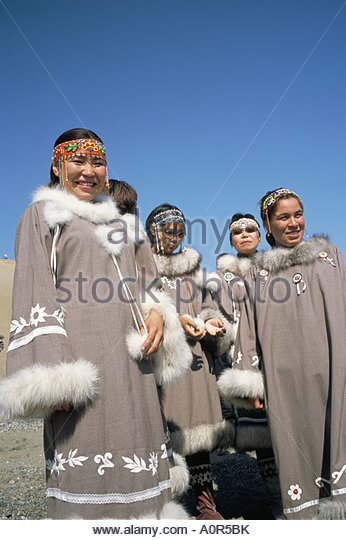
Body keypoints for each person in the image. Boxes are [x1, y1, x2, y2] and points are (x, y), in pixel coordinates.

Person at [0, 128, 192, 519]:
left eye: (98, 162)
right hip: (79, 356)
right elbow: (34, 288)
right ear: (58, 165)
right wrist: (55, 374)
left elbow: (148, 280)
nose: (89, 170)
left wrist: (157, 311)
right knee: (83, 450)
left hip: (132, 362)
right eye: (79, 160)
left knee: (139, 443)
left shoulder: (123, 224)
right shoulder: (42, 215)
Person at [217, 188, 346, 519]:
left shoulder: (329, 256)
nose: (293, 223)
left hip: (335, 370)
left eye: (298, 214)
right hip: (285, 380)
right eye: (283, 217)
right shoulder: (258, 274)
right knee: (295, 447)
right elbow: (247, 329)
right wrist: (251, 383)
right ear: (268, 224)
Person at [146, 204, 235, 519]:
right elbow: (135, 313)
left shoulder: (195, 271)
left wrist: (213, 324)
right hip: (157, 365)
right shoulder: (142, 269)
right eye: (167, 231)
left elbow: (210, 308)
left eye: (179, 232)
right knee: (158, 437)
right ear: (152, 232)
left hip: (195, 363)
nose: (174, 237)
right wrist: (178, 322)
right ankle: (158, 507)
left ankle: (205, 505)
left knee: (198, 436)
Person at [215, 213, 281, 518]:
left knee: (291, 427)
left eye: (250, 228)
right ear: (230, 240)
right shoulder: (222, 278)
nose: (244, 233)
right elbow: (222, 319)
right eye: (237, 231)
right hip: (247, 361)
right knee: (263, 435)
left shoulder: (278, 266)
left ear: (261, 233)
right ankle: (279, 499)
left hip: (282, 357)